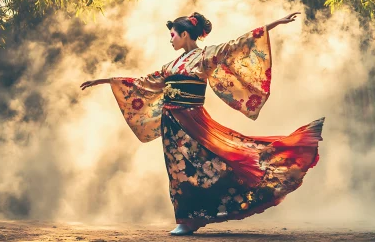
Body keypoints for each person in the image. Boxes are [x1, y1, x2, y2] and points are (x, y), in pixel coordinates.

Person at [80, 12, 325, 236]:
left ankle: (199, 213)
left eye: (173, 35)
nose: (171, 40)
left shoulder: (206, 56)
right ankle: (186, 219)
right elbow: (144, 83)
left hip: (192, 121)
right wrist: (105, 80)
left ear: (185, 34)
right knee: (177, 171)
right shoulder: (170, 66)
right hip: (171, 123)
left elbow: (238, 44)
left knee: (210, 163)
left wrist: (272, 25)